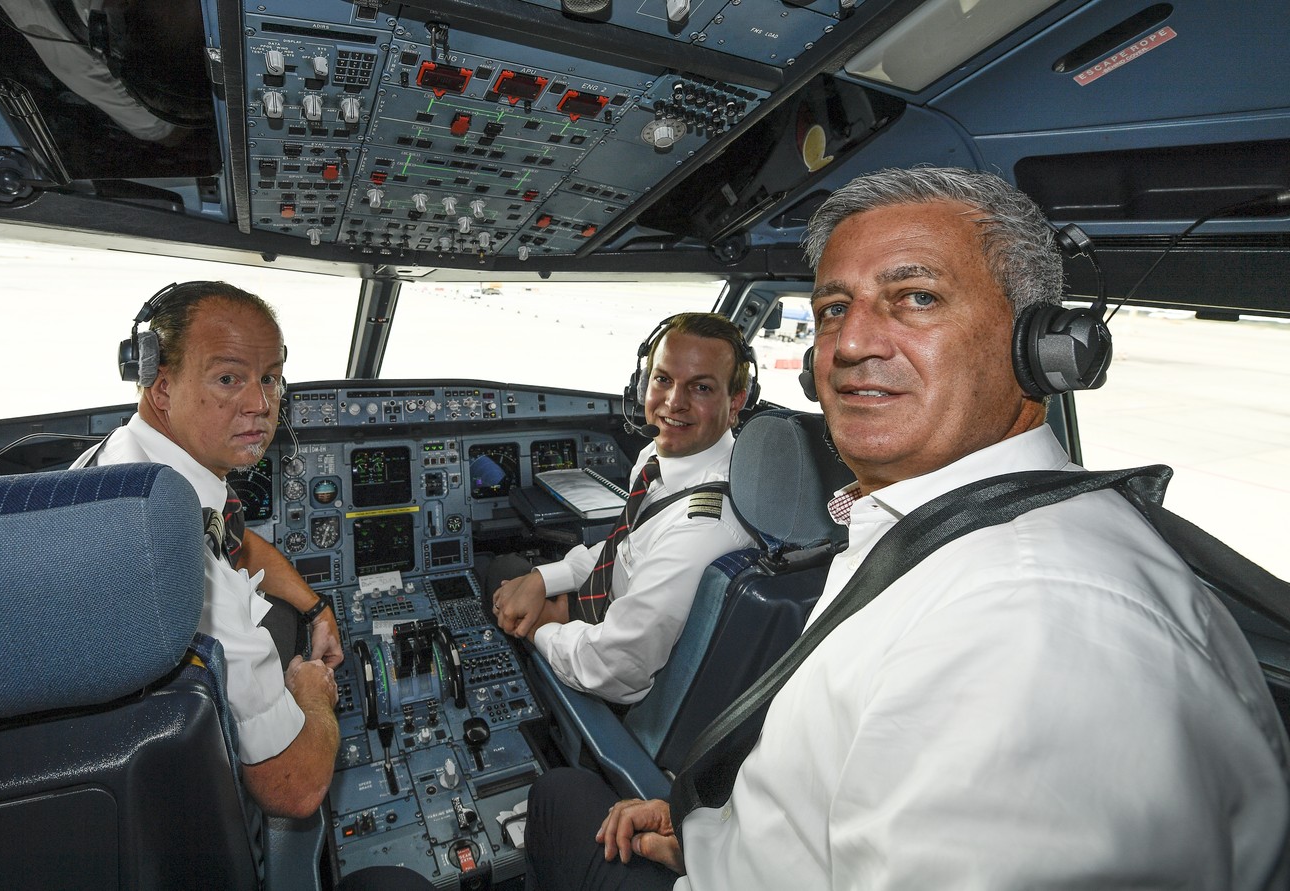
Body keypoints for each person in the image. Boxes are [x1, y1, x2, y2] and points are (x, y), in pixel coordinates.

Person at [525, 167, 1290, 889]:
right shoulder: (923, 532)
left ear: (1042, 345)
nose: (852, 344)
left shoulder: (1027, 634)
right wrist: (715, 831)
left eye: (916, 297)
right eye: (833, 309)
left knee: (559, 799)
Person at [73, 280, 340, 819]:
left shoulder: (129, 464)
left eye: (270, 378)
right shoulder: (172, 552)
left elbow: (237, 544)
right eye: (228, 378)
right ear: (160, 384)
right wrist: (312, 692)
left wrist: (315, 607)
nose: (261, 406)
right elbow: (297, 789)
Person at [490, 313, 756, 704]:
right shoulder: (658, 455)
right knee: (517, 576)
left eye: (701, 388)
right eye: (663, 379)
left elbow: (613, 667)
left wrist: (542, 628)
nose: (673, 403)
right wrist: (545, 579)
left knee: (498, 579)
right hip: (608, 611)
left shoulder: (704, 526)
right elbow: (627, 544)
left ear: (735, 403)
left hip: (624, 680)